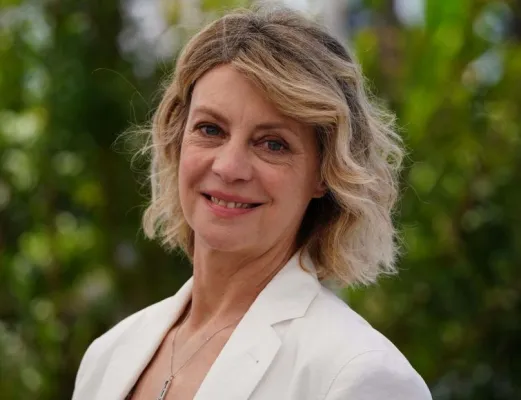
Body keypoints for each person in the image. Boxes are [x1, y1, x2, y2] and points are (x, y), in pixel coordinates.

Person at [72, 5, 432, 400]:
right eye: (210, 129)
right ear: (177, 140)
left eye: (273, 144)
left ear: (324, 173)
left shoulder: (360, 374)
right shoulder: (108, 356)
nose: (229, 168)